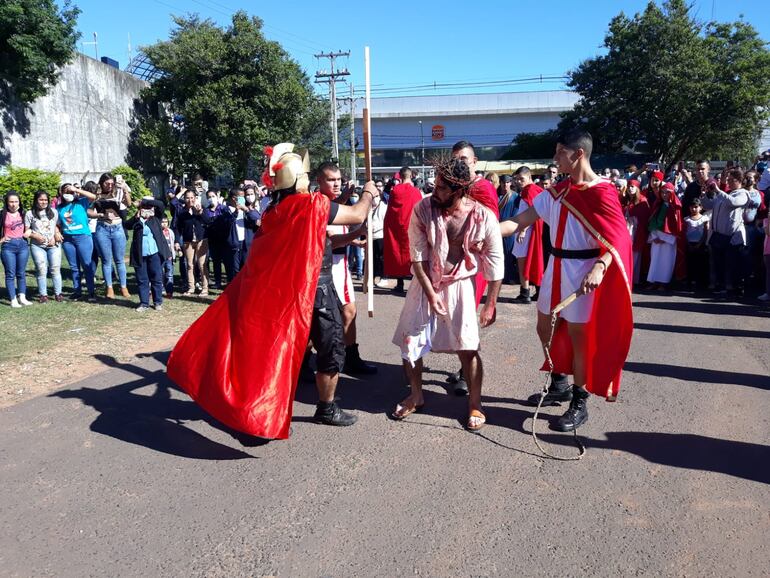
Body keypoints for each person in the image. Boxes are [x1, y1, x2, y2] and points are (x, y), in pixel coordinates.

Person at [167, 143, 379, 438]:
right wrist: (368, 193)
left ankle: (276, 408)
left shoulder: (275, 211)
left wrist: (352, 228)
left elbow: (323, 239)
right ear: (298, 178)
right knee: (328, 349)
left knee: (280, 351)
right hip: (314, 290)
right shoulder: (311, 206)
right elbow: (357, 214)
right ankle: (323, 408)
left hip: (289, 294)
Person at [499, 129, 633, 432]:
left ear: (578, 154)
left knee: (578, 336)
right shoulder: (557, 192)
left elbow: (619, 238)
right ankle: (559, 382)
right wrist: (487, 231)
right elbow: (520, 221)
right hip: (555, 267)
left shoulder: (602, 191)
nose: (555, 158)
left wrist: (600, 265)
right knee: (543, 326)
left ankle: (579, 400)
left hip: (583, 271)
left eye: (560, 152)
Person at [391, 157, 503, 432]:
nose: (434, 191)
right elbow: (417, 257)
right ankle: (416, 394)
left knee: (468, 348)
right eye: (435, 184)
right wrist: (431, 294)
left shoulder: (482, 215)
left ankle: (475, 404)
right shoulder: (423, 208)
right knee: (411, 343)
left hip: (460, 286)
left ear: (459, 190)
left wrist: (490, 304)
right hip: (425, 284)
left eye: (442, 188)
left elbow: (495, 262)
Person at [320, 163, 377, 375]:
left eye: (338, 180)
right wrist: (358, 231)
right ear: (319, 181)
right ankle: (309, 361)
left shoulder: (334, 201)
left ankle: (351, 357)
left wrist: (356, 243)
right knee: (321, 318)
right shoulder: (319, 204)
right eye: (331, 180)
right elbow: (331, 241)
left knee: (348, 312)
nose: (336, 184)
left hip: (340, 265)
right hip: (326, 267)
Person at [701, 170, 749, 296]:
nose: (728, 182)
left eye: (730, 180)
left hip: (732, 237)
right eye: (728, 180)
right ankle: (723, 287)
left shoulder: (743, 194)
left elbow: (733, 202)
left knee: (731, 264)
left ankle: (732, 289)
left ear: (738, 181)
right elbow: (707, 206)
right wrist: (706, 194)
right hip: (718, 236)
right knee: (720, 264)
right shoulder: (725, 194)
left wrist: (718, 191)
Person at [383, 166, 422, 293]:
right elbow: (419, 210)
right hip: (411, 227)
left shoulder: (395, 191)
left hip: (396, 227)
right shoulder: (416, 192)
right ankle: (414, 285)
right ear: (411, 176)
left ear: (399, 176)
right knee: (412, 254)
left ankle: (399, 284)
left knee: (397, 252)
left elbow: (390, 209)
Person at [56, 182, 98, 301]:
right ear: (61, 193)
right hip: (68, 239)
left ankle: (91, 292)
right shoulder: (59, 208)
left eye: (70, 192)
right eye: (66, 192)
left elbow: (93, 197)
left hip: (83, 237)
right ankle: (77, 291)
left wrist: (76, 190)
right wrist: (57, 231)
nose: (68, 194)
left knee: (86, 264)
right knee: (74, 267)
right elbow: (57, 223)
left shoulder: (81, 202)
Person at [126, 198, 169, 312]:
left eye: (149, 208)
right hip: (140, 254)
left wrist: (144, 202)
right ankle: (144, 303)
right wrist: (136, 216)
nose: (147, 210)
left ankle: (157, 302)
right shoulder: (137, 219)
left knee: (156, 277)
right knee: (142, 279)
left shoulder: (156, 218)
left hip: (154, 252)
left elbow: (160, 204)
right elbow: (126, 225)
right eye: (144, 208)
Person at [91, 173, 130, 298]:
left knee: (119, 260)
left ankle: (124, 287)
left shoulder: (118, 193)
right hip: (102, 228)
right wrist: (100, 215)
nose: (110, 186)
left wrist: (124, 189)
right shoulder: (96, 196)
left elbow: (128, 203)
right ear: (102, 183)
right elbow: (88, 210)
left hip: (118, 228)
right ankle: (109, 288)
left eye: (112, 184)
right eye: (107, 183)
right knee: (107, 260)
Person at [511, 166, 544, 303]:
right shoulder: (536, 189)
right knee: (532, 260)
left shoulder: (529, 190)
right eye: (517, 179)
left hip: (526, 231)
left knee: (522, 262)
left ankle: (525, 293)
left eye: (521, 179)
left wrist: (523, 230)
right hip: (532, 230)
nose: (519, 182)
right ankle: (538, 291)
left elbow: (531, 210)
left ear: (529, 177)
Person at [24, 190, 63, 303]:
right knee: (41, 269)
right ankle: (43, 294)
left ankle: (58, 293)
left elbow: (57, 226)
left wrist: (55, 235)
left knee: (55, 268)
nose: (43, 202)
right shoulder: (29, 213)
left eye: (45, 200)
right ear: (36, 200)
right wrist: (35, 236)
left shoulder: (54, 212)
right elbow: (27, 231)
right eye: (41, 200)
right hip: (38, 246)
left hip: (53, 245)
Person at [645, 182, 682, 290]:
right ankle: (653, 281)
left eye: (667, 193)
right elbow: (652, 221)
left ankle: (663, 282)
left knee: (666, 261)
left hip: (668, 240)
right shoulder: (657, 205)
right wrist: (654, 236)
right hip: (656, 237)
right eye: (662, 192)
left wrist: (666, 239)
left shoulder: (676, 207)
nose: (664, 195)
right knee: (655, 260)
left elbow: (677, 227)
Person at [174, 189, 211, 296]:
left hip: (201, 240)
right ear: (184, 199)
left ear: (195, 198)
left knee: (202, 264)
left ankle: (205, 287)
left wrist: (200, 213)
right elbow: (178, 228)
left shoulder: (201, 209)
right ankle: (191, 287)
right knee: (190, 265)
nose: (190, 200)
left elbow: (208, 221)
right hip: (188, 241)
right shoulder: (182, 212)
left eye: (192, 198)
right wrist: (177, 241)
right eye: (187, 198)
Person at [1, 191, 31, 307]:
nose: (13, 204)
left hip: (22, 245)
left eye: (16, 201)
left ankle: (22, 297)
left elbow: (30, 226)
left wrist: (29, 231)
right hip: (8, 247)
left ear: (19, 202)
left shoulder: (23, 213)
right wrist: (1, 239)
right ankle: (13, 299)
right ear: (7, 203)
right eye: (11, 202)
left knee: (21, 273)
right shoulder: (2, 214)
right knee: (10, 274)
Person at [625, 180, 651, 286]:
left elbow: (645, 218)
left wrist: (632, 219)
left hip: (636, 232)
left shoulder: (642, 201)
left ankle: (633, 279)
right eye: (628, 187)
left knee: (635, 255)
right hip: (626, 231)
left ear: (637, 188)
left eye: (632, 187)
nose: (630, 188)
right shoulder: (625, 200)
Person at [498, 174, 520, 284]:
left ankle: (510, 276)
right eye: (503, 182)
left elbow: (516, 213)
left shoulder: (515, 197)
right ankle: (502, 276)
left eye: (507, 182)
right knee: (500, 254)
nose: (505, 185)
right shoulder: (497, 196)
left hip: (510, 228)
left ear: (510, 183)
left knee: (510, 254)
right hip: (497, 228)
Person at [683, 198, 710, 291]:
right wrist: (688, 244)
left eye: (696, 207)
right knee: (690, 263)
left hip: (700, 244)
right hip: (689, 244)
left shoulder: (704, 219)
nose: (693, 209)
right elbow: (684, 232)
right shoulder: (686, 219)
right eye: (691, 207)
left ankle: (700, 283)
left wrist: (700, 244)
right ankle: (690, 281)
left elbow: (705, 233)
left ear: (700, 208)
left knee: (701, 264)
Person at [370, 180, 388, 285]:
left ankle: (383, 277)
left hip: (381, 233)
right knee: (372, 258)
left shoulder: (385, 202)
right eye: (376, 186)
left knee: (381, 257)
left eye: (380, 186)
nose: (378, 188)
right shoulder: (369, 201)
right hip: (371, 234)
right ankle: (371, 278)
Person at [159, 215, 176, 298]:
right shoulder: (158, 232)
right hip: (160, 256)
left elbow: (172, 244)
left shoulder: (170, 232)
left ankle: (169, 291)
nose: (164, 224)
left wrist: (174, 254)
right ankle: (161, 289)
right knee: (160, 273)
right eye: (162, 222)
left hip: (169, 256)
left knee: (169, 274)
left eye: (166, 222)